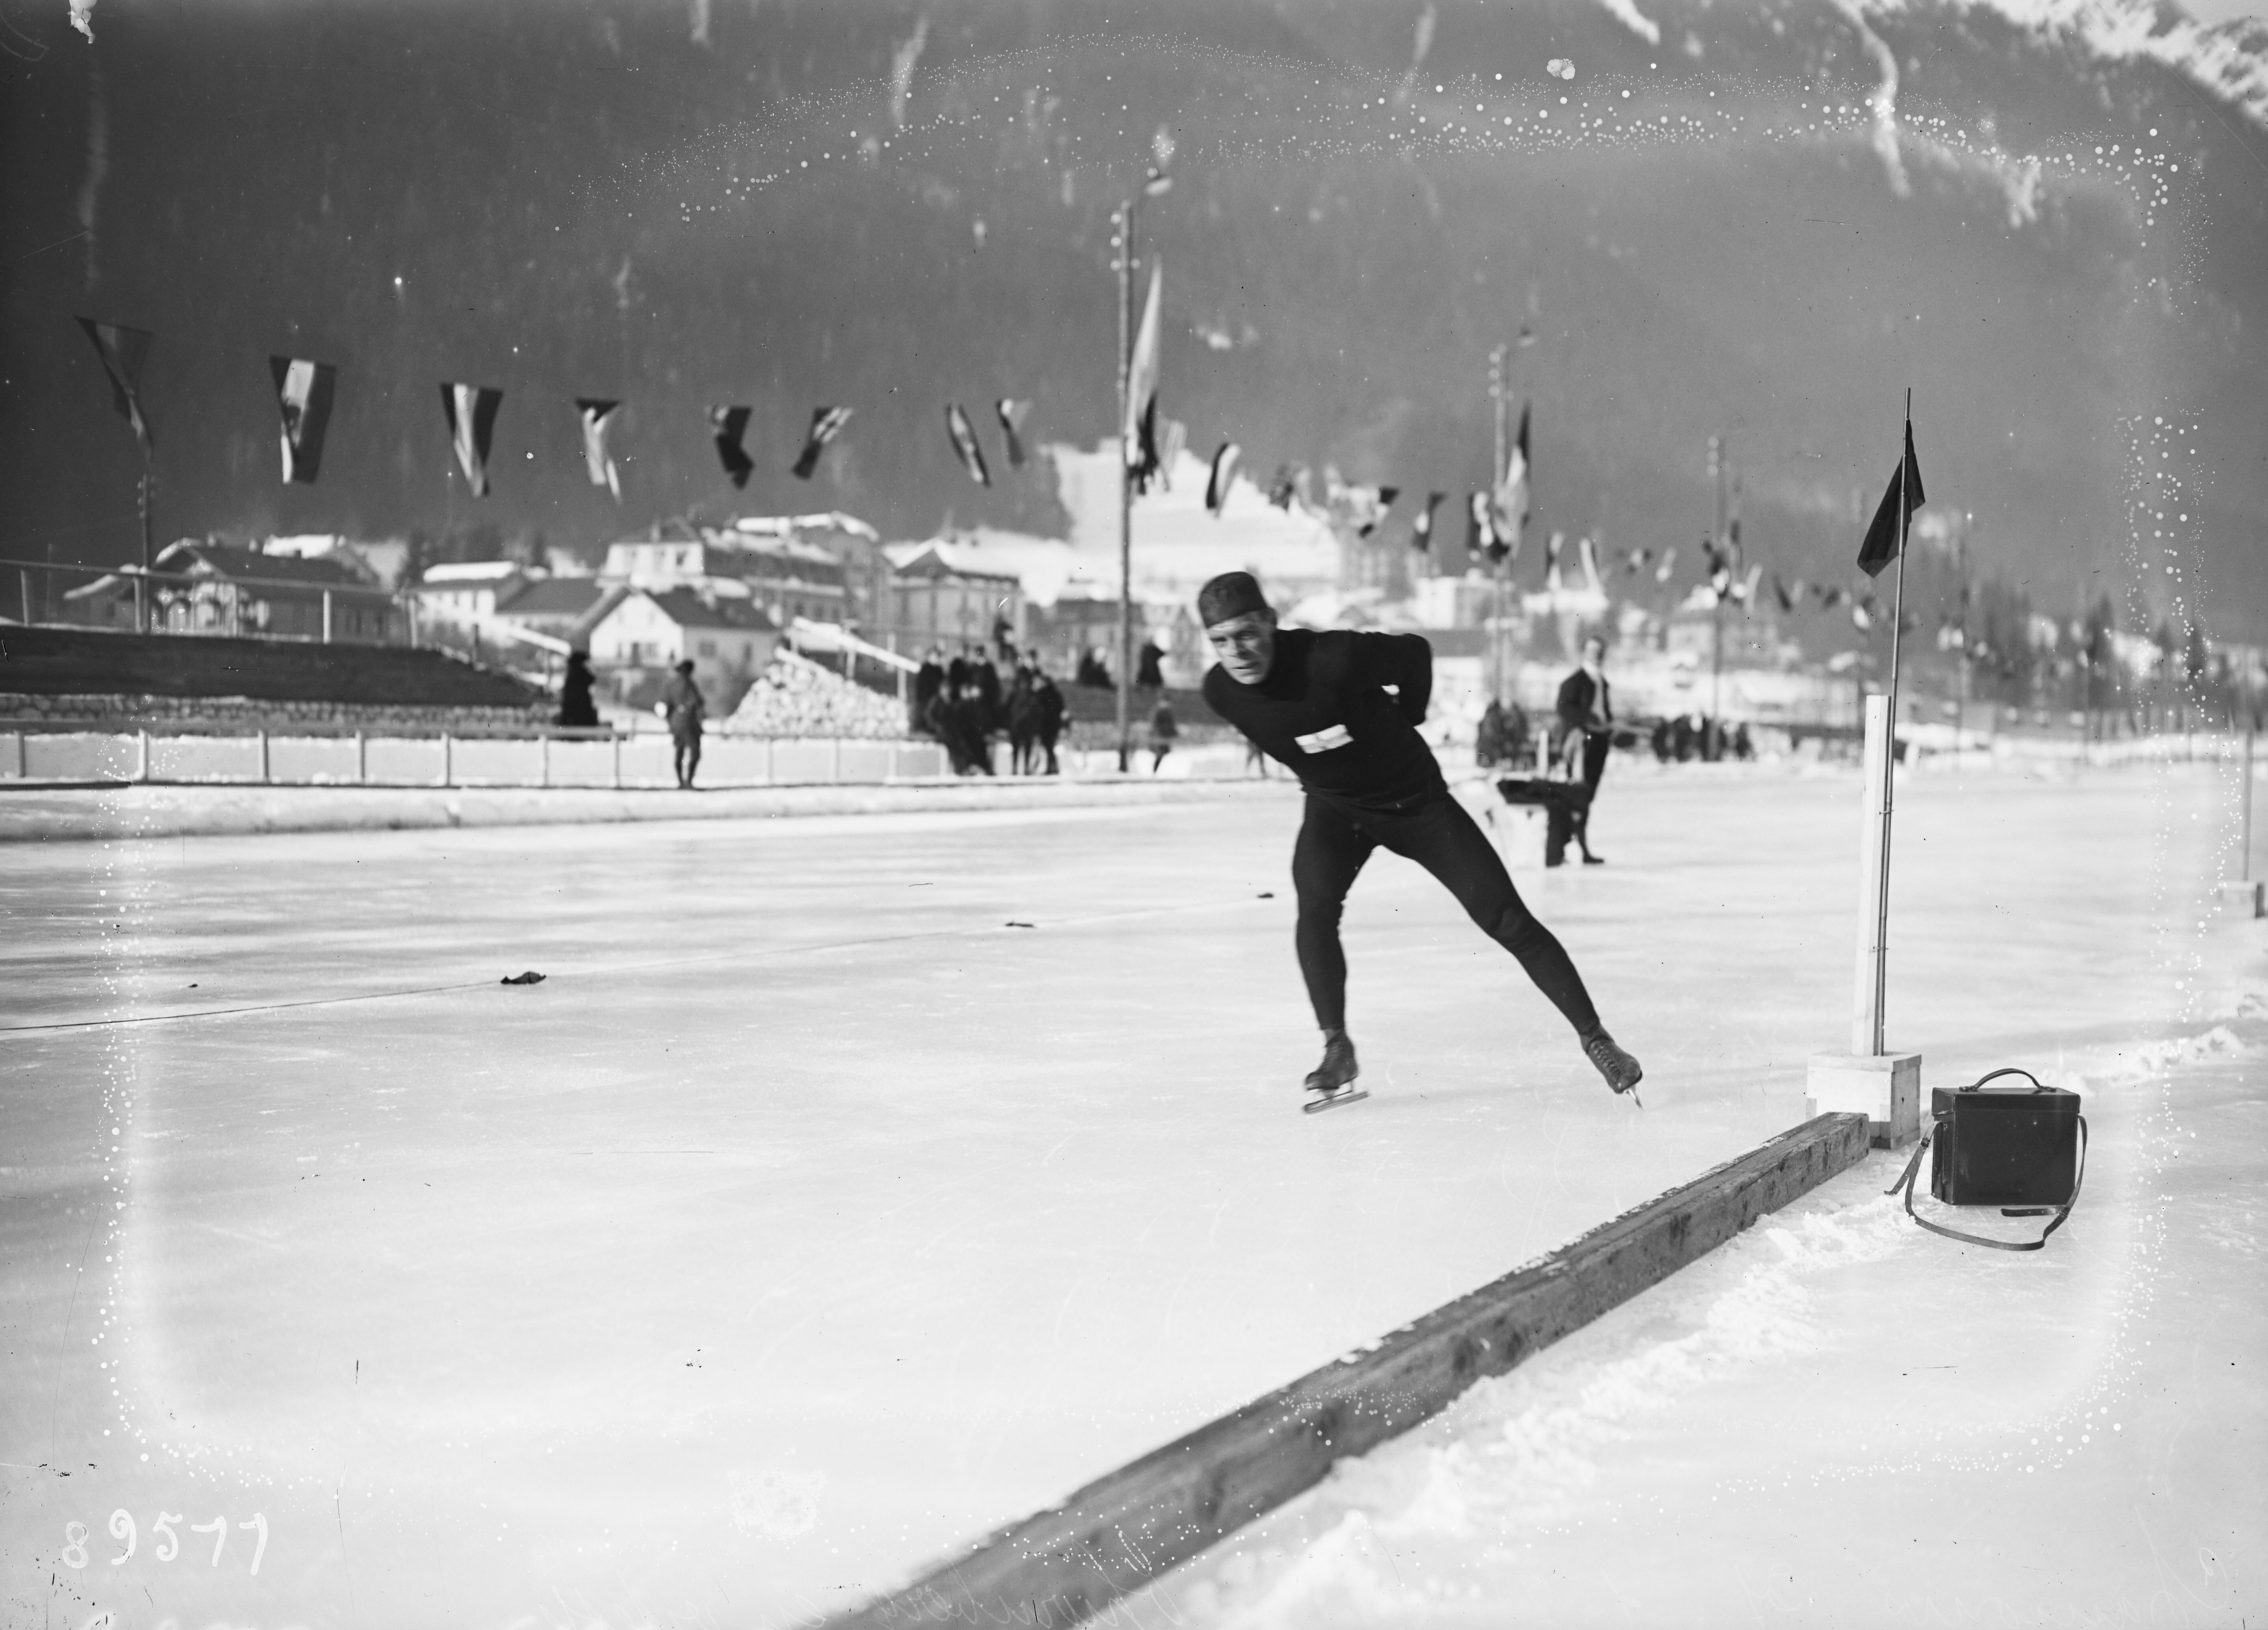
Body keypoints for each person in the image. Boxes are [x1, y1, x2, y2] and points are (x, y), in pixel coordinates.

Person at [1197, 572, 1641, 1106]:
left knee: (1503, 917)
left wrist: (1410, 714)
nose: (1236, 652)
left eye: (1245, 633)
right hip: (1337, 811)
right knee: (1314, 908)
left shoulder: (1332, 658)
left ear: (1270, 622)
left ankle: (1597, 1039)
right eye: (1221, 641)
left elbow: (1415, 654)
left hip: (1417, 805)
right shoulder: (1221, 694)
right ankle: (1337, 1047)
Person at [1554, 635, 1614, 865]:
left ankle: (1580, 847)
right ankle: (1571, 847)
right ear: (1585, 653)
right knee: (1579, 794)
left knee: (1586, 796)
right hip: (1583, 743)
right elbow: (1564, 708)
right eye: (1592, 651)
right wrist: (1588, 719)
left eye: (1599, 651)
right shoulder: (1576, 681)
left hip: (1598, 741)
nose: (1596, 655)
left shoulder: (1600, 681)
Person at [661, 659, 706, 789]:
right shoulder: (689, 684)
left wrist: (671, 723)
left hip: (676, 723)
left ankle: (681, 781)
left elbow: (665, 705)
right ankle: (688, 781)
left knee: (679, 752)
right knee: (695, 753)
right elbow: (697, 702)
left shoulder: (670, 684)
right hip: (689, 724)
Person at [556, 649, 599, 730]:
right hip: (581, 704)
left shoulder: (571, 672)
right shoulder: (581, 672)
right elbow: (591, 679)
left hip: (573, 705)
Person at [1147, 694, 1178, 773]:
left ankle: (1156, 771)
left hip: (1165, 737)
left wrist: (1173, 732)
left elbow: (1171, 725)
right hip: (1159, 737)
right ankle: (1155, 771)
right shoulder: (1158, 712)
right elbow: (1155, 725)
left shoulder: (1168, 713)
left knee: (1163, 754)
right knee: (1160, 754)